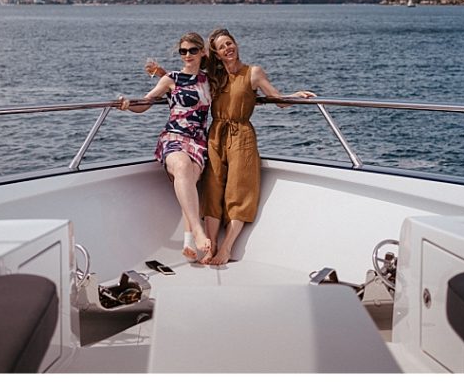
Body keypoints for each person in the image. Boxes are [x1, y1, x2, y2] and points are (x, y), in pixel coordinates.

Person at [150, 28, 315, 266]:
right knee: (212, 187)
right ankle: (212, 244)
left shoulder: (253, 72)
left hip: (242, 134)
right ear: (215, 53)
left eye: (230, 43)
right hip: (215, 134)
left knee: (239, 189)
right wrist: (162, 74)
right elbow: (187, 80)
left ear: (236, 44)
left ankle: (226, 248)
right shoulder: (213, 77)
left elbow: (277, 98)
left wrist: (296, 96)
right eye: (221, 46)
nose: (228, 48)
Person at [117, 32, 213, 262]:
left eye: (192, 50)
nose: (187, 55)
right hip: (173, 137)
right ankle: (198, 232)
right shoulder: (171, 79)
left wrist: (283, 96)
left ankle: (189, 243)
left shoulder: (209, 80)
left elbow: (241, 90)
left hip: (198, 141)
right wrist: (129, 105)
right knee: (181, 166)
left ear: (202, 52)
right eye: (183, 51)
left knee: (189, 179)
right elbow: (147, 102)